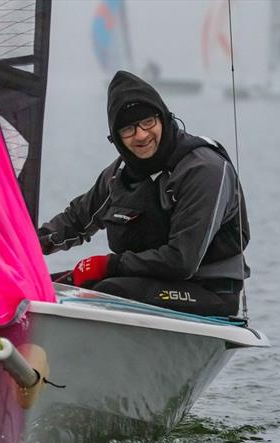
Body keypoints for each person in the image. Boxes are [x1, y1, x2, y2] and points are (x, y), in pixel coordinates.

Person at [38, 70, 250, 317]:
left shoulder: (204, 169)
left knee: (109, 290)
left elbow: (182, 261)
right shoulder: (119, 174)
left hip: (208, 291)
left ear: (163, 119)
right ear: (115, 138)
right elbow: (76, 220)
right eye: (128, 129)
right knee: (45, 286)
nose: (141, 135)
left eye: (148, 122)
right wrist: (28, 244)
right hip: (144, 281)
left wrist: (108, 265)